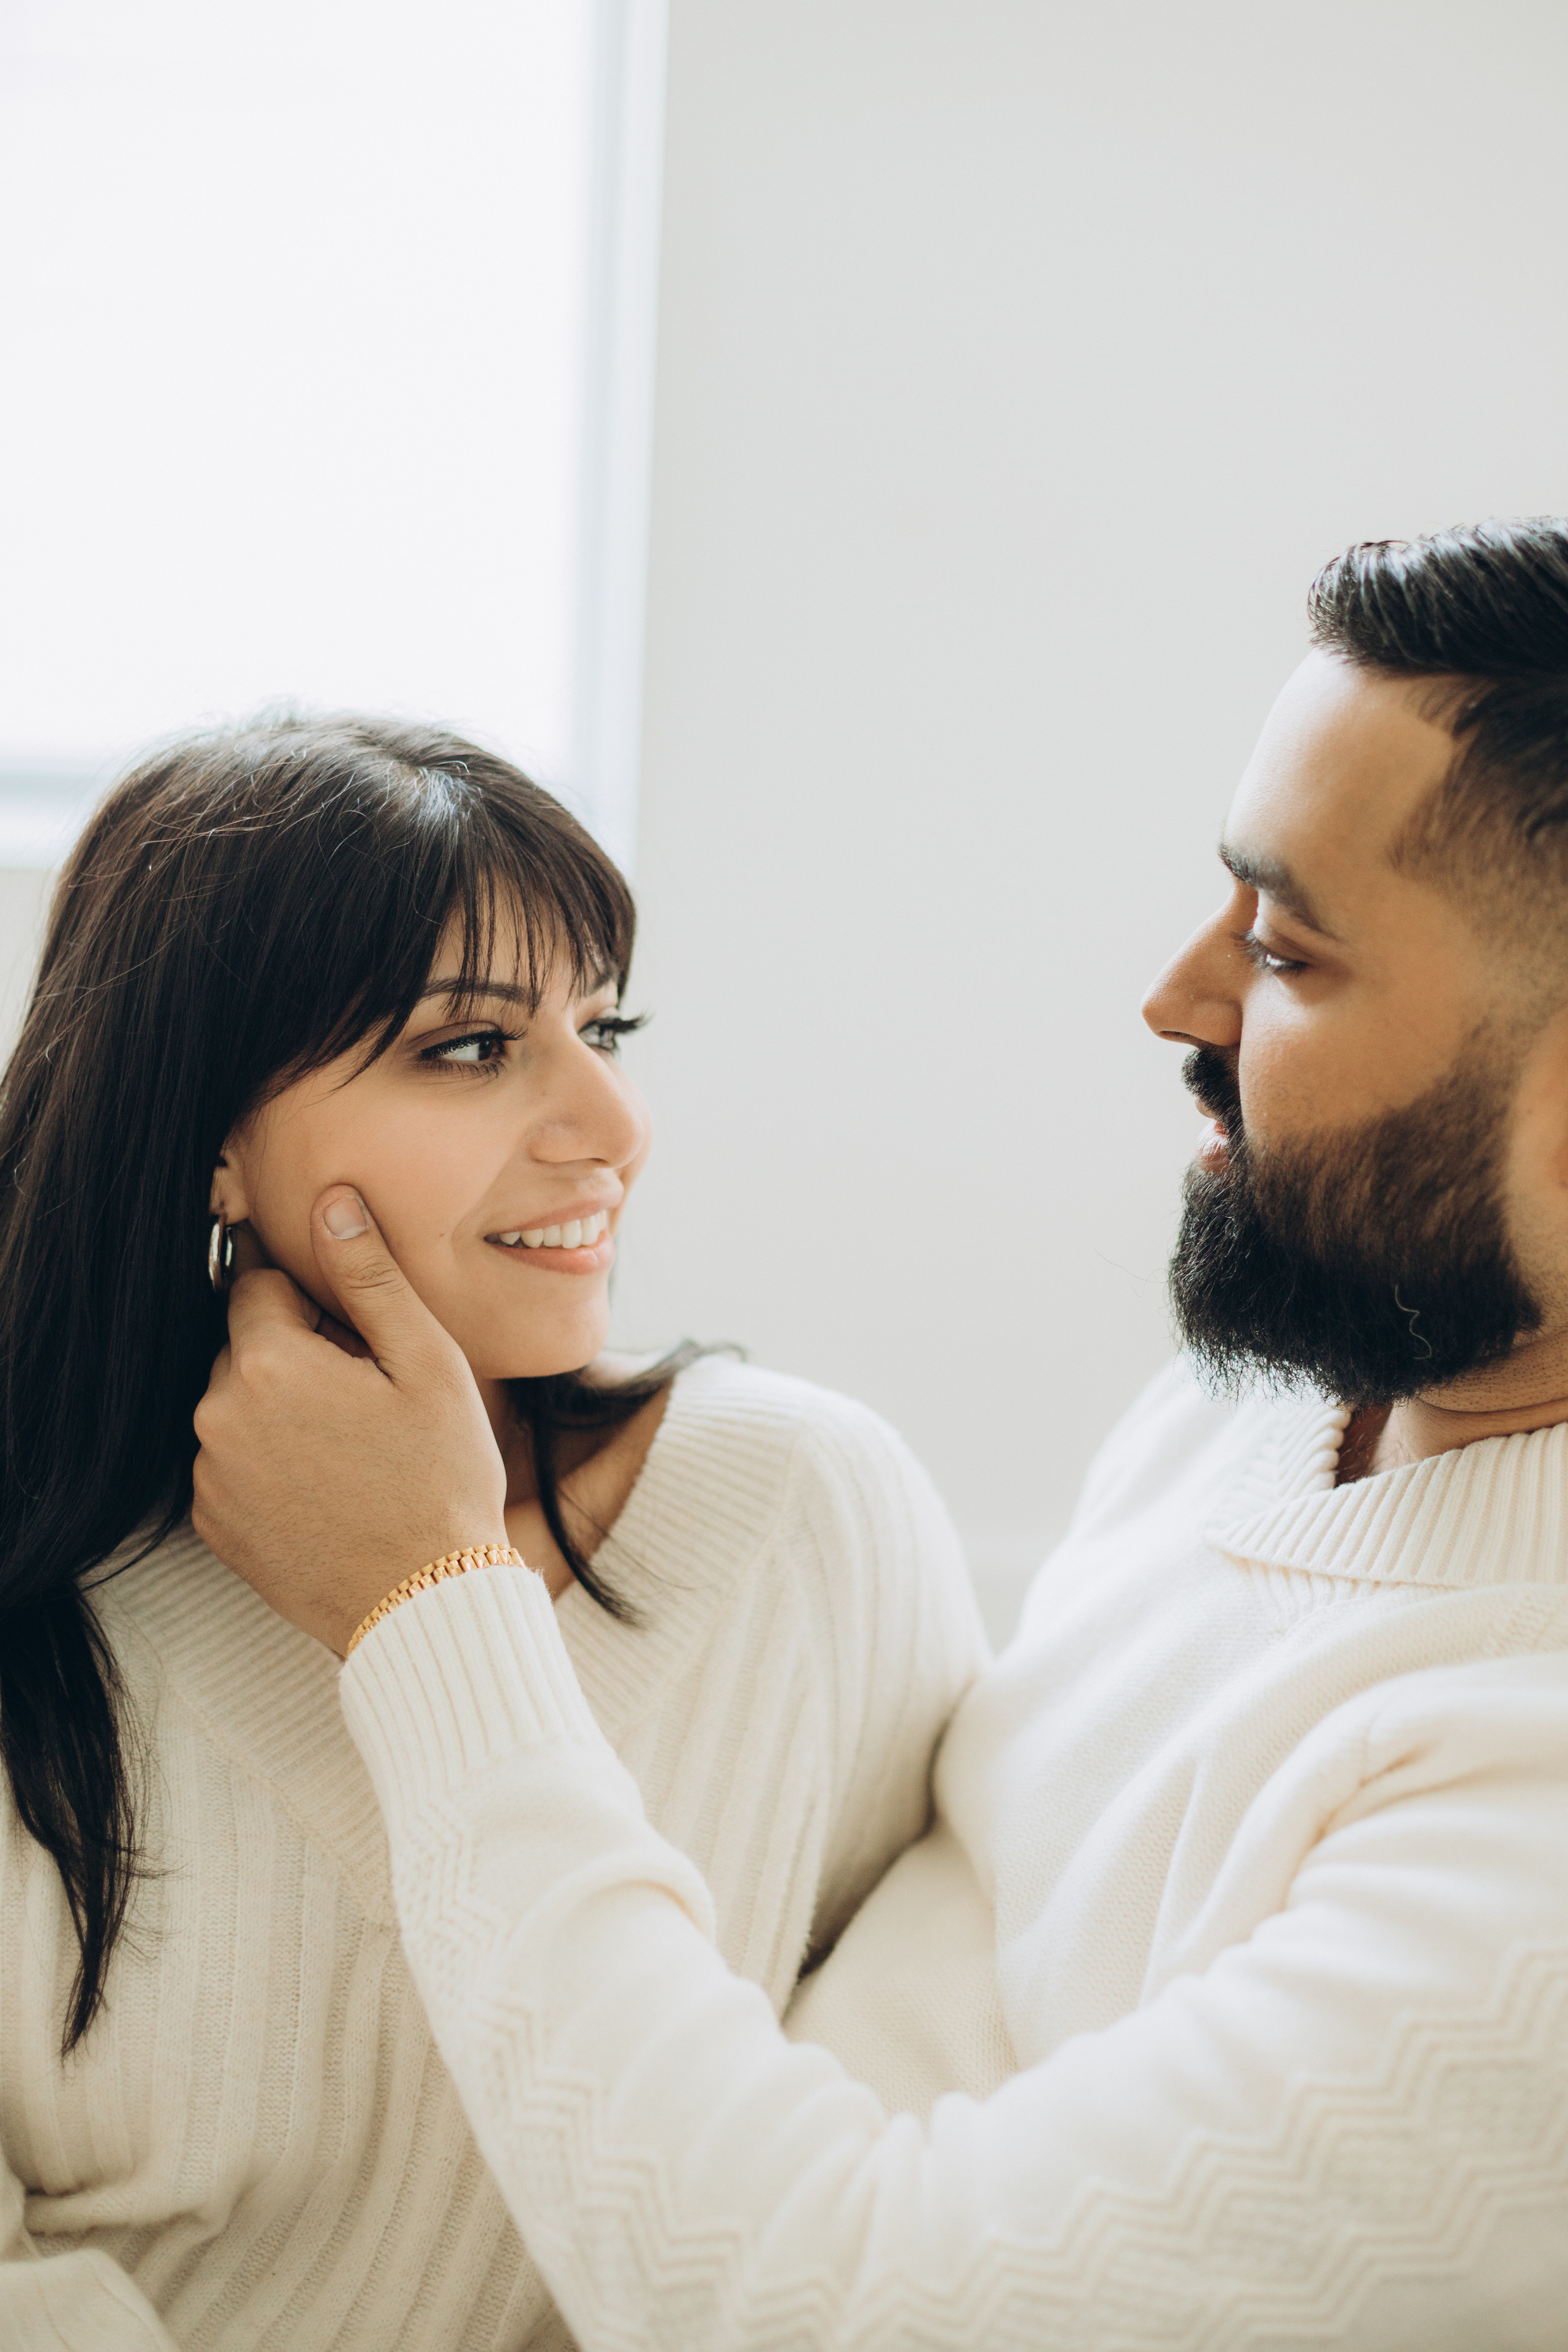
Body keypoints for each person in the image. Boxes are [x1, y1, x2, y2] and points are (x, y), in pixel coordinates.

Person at [195, 519, 1568, 2349]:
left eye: (1292, 954)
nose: (1179, 1000)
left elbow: (833, 2317)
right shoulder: (1254, 1414)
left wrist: (430, 1608)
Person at [0, 716, 986, 2350]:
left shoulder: (800, 1515)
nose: (612, 1123)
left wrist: (430, 1595)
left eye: (604, 1025)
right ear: (211, 1140)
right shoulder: (53, 1606)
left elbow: (889, 2156)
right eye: (469, 1046)